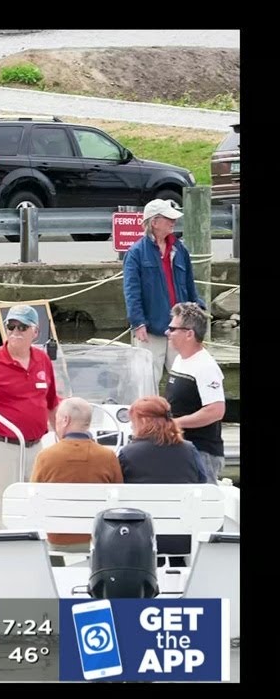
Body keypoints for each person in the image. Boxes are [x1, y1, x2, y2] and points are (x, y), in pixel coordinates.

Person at [0, 304, 60, 530]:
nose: (15, 331)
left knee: (35, 507)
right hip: (1, 448)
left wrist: (63, 442)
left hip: (36, 448)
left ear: (35, 332)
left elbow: (52, 404)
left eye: (22, 327)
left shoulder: (43, 360)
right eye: (11, 326)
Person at [122, 198, 205, 392]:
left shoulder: (180, 249)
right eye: (168, 218)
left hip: (181, 327)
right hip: (151, 328)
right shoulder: (135, 253)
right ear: (154, 222)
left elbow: (189, 284)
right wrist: (138, 323)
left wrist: (198, 311)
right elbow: (131, 291)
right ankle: (150, 413)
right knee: (147, 382)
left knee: (185, 380)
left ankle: (182, 412)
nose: (173, 222)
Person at [118, 395, 211, 556]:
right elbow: (202, 482)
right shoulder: (189, 450)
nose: (132, 426)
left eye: (133, 421)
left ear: (143, 421)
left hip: (140, 537)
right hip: (184, 536)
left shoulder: (128, 453)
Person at [30, 397, 124, 551]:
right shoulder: (107, 457)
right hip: (98, 539)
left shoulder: (46, 456)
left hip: (56, 539)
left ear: (65, 420)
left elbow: (34, 498)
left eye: (57, 419)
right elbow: (119, 497)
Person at [165, 302, 226, 479]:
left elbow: (215, 411)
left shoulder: (206, 367)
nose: (167, 332)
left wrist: (175, 423)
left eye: (172, 329)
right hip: (181, 447)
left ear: (189, 334)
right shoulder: (180, 360)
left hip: (202, 452)